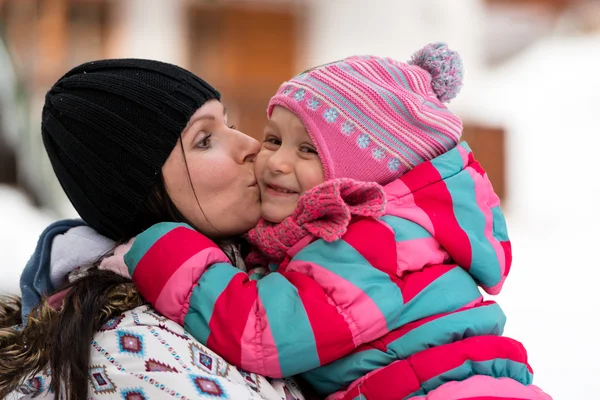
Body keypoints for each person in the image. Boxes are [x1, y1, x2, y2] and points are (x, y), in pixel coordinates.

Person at [122, 44, 552, 399]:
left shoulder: (380, 243)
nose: (276, 161)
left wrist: (166, 247)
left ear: (366, 175)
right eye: (274, 139)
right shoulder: (355, 236)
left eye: (308, 151)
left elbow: (263, 332)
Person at [0, 59, 309, 400]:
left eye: (229, 123)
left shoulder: (272, 284)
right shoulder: (134, 353)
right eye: (204, 140)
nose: (251, 145)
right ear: (141, 193)